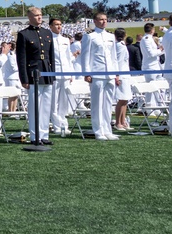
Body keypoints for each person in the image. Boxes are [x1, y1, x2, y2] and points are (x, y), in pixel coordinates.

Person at [15, 7, 55, 145]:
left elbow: (51, 56)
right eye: (37, 15)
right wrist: (24, 78)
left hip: (46, 72)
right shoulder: (24, 34)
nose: (40, 18)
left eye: (41, 15)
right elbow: (21, 59)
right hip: (33, 74)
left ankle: (44, 134)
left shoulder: (47, 33)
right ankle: (35, 136)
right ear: (30, 17)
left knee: (46, 106)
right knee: (34, 107)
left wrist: (52, 74)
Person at [80, 12, 120, 140]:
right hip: (97, 73)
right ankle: (98, 130)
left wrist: (116, 73)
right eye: (101, 19)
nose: (103, 22)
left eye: (105, 19)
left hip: (110, 73)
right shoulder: (90, 37)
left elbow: (114, 56)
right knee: (97, 104)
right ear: (95, 21)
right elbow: (85, 56)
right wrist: (87, 73)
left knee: (108, 104)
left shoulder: (111, 36)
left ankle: (107, 130)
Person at [48, 17, 75, 136]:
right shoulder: (48, 39)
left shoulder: (65, 40)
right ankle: (56, 125)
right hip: (54, 73)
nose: (59, 26)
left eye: (60, 24)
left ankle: (64, 123)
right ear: (50, 26)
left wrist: (71, 72)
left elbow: (68, 58)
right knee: (54, 102)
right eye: (56, 24)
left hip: (65, 73)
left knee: (64, 102)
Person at [112, 29, 132, 132]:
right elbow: (118, 61)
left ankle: (123, 121)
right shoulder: (119, 46)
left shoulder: (121, 45)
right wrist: (117, 75)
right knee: (122, 99)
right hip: (121, 75)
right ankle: (118, 122)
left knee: (125, 99)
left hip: (125, 74)